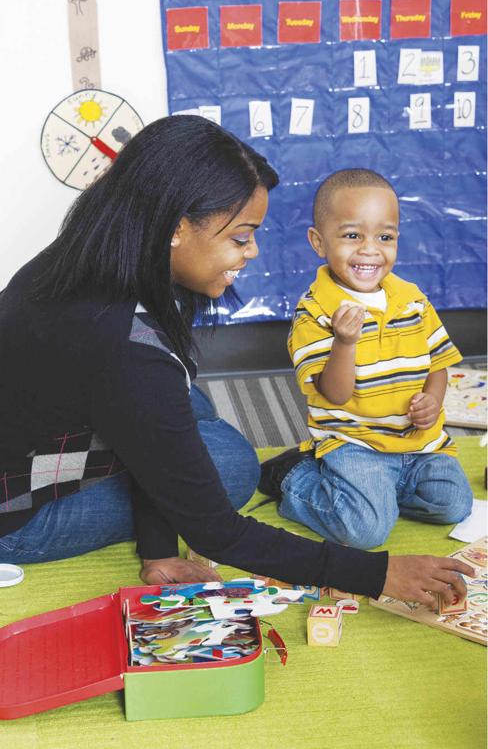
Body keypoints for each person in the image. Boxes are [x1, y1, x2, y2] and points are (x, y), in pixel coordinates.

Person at [0, 118, 473, 608]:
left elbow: (139, 400)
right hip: (15, 516)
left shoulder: (86, 261)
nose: (252, 252)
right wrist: (379, 572)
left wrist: (158, 548)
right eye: (241, 236)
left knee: (189, 410)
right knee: (231, 465)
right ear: (176, 228)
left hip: (51, 424)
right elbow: (217, 532)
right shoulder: (123, 343)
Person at [259, 168, 473, 551]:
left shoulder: (412, 299)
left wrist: (433, 401)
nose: (370, 249)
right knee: (366, 532)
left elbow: (438, 364)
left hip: (416, 444)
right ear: (318, 241)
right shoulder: (316, 313)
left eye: (385, 237)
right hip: (355, 444)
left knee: (455, 504)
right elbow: (335, 395)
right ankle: (294, 478)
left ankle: (378, 495)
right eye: (352, 235)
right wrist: (344, 342)